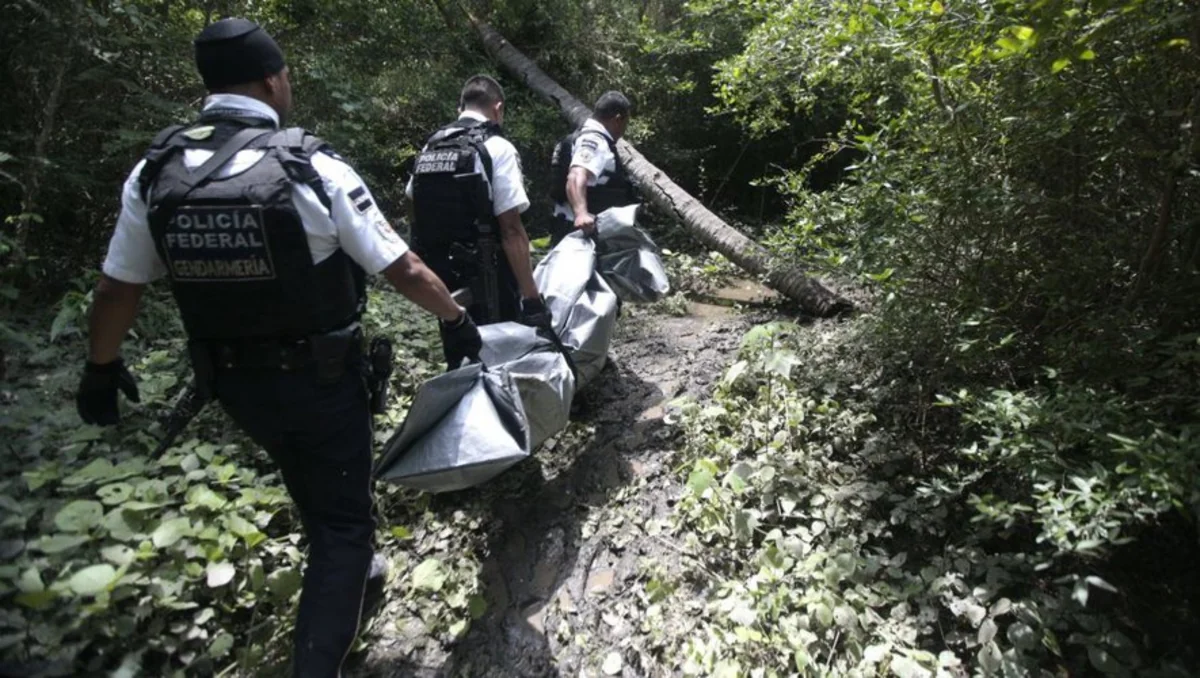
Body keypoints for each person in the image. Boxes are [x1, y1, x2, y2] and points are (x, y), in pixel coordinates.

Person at [73, 18, 481, 678]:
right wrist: (456, 318)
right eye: (285, 76)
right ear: (271, 80)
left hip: (234, 388)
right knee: (344, 528)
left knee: (311, 480)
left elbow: (118, 287)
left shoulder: (155, 173)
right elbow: (400, 268)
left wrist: (101, 366)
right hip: (320, 382)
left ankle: (348, 563)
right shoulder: (307, 165)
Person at [406, 75, 550, 331]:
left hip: (443, 280)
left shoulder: (431, 146)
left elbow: (412, 201)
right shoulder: (497, 147)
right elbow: (511, 230)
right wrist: (531, 298)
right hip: (491, 280)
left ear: (460, 108)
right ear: (498, 109)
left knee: (459, 351)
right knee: (503, 360)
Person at [550, 91, 637, 245]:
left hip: (573, 231)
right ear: (618, 119)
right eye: (626, 123)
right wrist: (581, 214)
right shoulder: (594, 141)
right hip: (582, 236)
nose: (623, 130)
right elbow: (576, 176)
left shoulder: (582, 136)